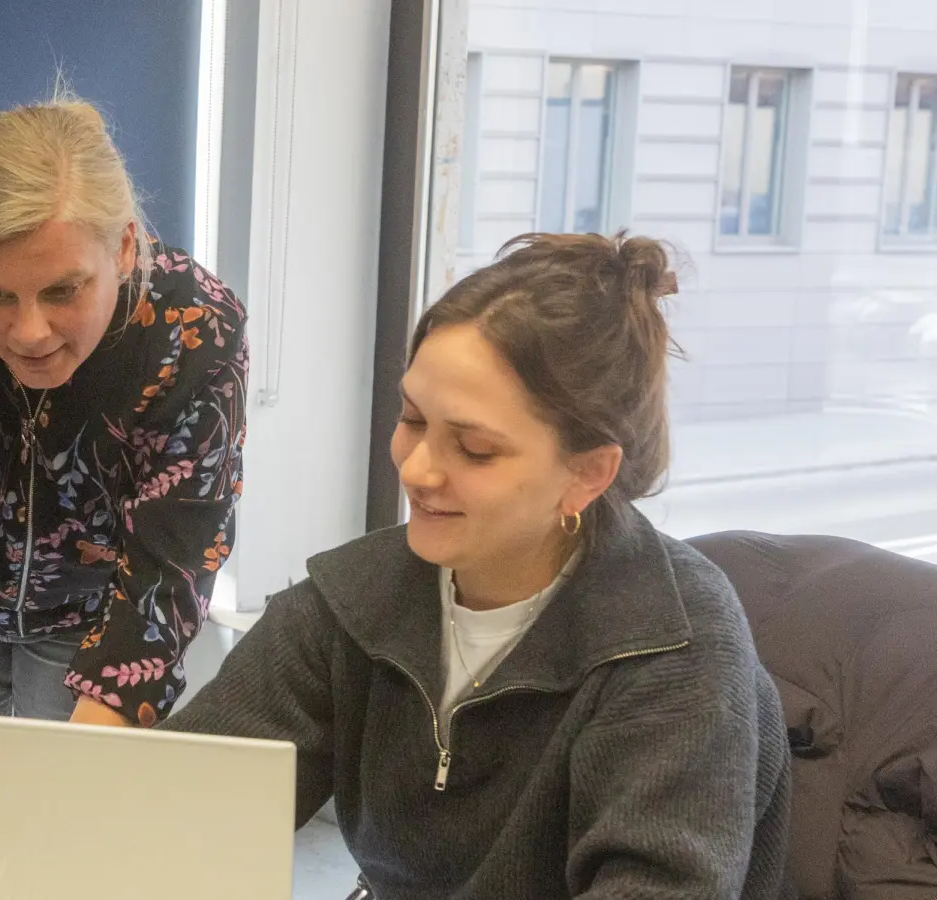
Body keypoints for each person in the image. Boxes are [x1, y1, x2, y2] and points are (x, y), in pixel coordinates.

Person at [164, 233, 791, 897]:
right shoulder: (348, 605)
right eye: (412, 419)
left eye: (475, 449)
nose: (418, 467)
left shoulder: (674, 647)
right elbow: (176, 813)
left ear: (587, 474)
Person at [0, 94, 248, 728]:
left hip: (95, 615)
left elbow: (170, 561)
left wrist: (72, 783)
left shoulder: (194, 329)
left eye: (63, 290)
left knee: (63, 810)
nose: (29, 332)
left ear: (123, 249)